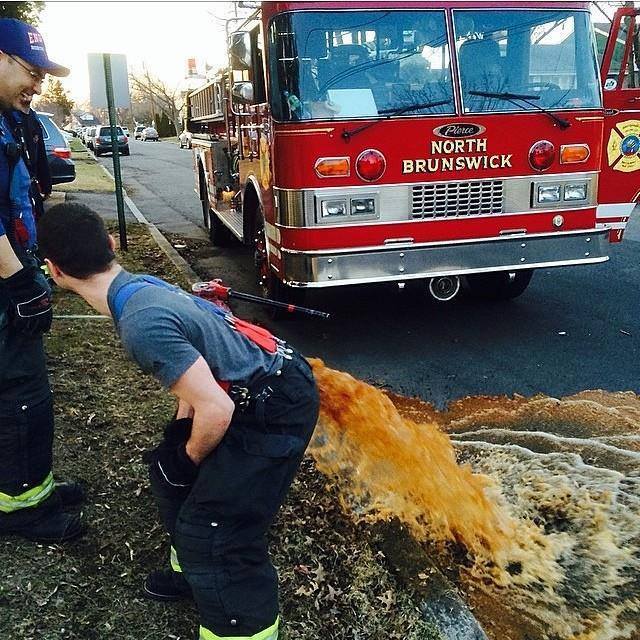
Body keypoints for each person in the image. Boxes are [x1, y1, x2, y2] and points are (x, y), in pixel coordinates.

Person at [37, 202, 320, 640]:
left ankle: (238, 623)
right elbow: (199, 382)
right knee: (170, 475)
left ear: (53, 270)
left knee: (216, 533)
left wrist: (188, 458)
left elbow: (217, 409)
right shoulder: (138, 287)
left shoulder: (141, 322)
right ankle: (190, 572)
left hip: (276, 404)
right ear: (112, 246)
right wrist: (179, 444)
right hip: (251, 389)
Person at [0, 18, 85, 543]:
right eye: (31, 71)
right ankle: (24, 507)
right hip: (4, 281)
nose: (39, 84)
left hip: (14, 267)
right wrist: (20, 287)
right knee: (21, 394)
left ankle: (34, 486)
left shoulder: (12, 120)